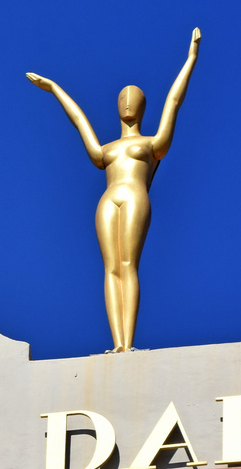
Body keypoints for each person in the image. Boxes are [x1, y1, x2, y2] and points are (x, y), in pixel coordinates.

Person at [27, 28, 200, 353]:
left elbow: (174, 101)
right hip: (108, 201)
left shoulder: (153, 144)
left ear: (143, 108)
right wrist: (54, 88)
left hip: (135, 197)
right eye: (122, 98)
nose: (126, 103)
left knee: (128, 265)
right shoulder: (105, 150)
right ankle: (118, 344)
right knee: (110, 268)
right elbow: (79, 121)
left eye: (133, 99)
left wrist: (191, 58)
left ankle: (128, 344)